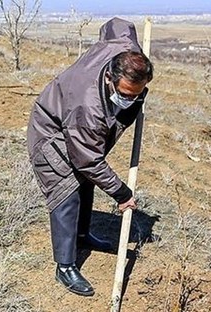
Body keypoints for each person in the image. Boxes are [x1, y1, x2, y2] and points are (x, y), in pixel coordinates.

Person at [26, 17, 153, 297]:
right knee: (66, 192)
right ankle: (65, 265)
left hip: (76, 128)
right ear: (109, 77)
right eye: (124, 95)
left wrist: (136, 96)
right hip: (52, 131)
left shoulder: (126, 52)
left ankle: (82, 236)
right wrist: (121, 193)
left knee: (86, 183)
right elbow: (88, 159)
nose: (129, 101)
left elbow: (117, 26)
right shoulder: (88, 106)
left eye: (137, 95)